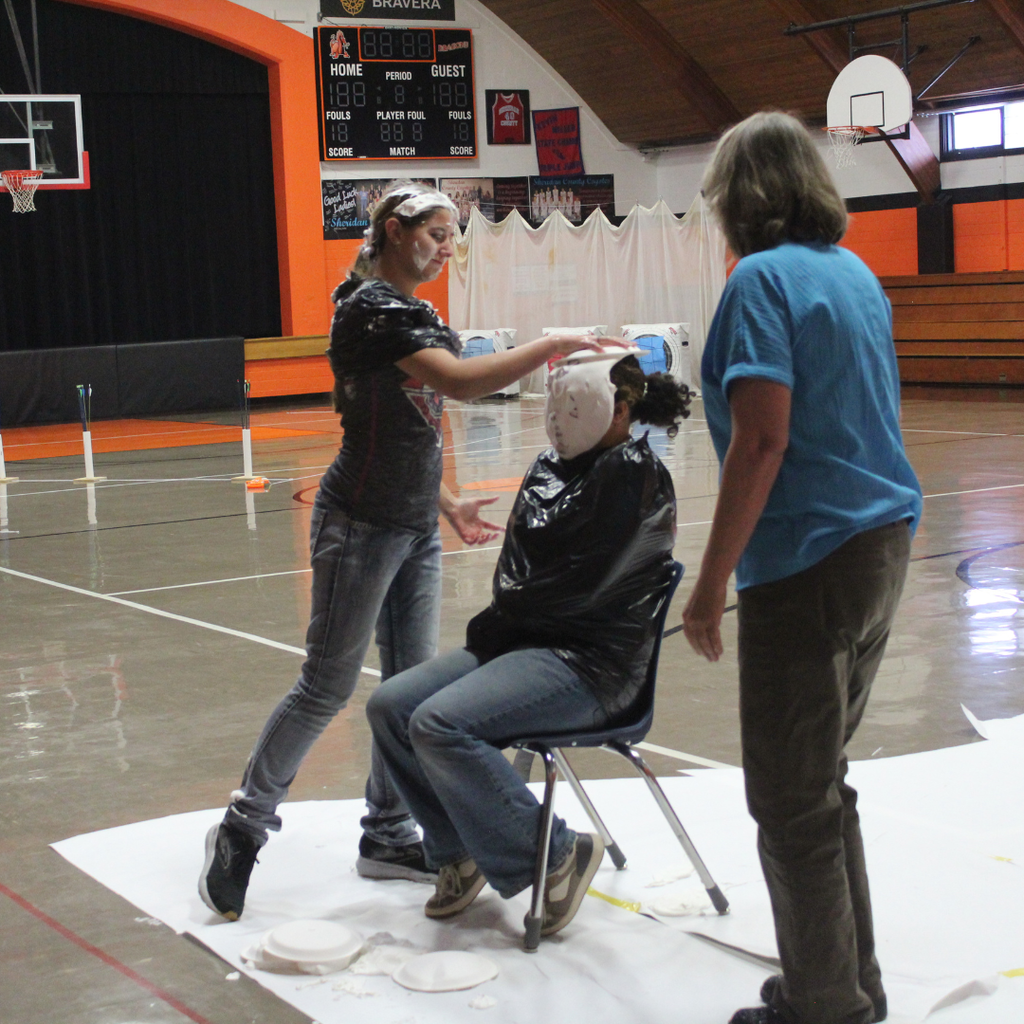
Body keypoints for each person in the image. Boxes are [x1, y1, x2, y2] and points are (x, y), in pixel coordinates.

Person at [199, 181, 612, 921]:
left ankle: (387, 833)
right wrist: (549, 344)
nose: (446, 248)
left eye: (453, 238)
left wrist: (445, 501)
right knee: (325, 685)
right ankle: (242, 829)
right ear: (395, 229)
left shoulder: (409, 311)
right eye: (437, 234)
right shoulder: (372, 309)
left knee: (405, 694)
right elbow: (455, 385)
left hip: (415, 524)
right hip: (359, 525)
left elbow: (408, 419)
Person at [682, 112, 923, 1024]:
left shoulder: (760, 282)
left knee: (788, 797)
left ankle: (826, 1005)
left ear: (738, 200)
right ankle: (846, 983)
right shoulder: (854, 273)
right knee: (820, 782)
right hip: (880, 543)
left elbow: (762, 439)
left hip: (808, 560)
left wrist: (710, 584)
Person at [366, 351, 691, 937]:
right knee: (391, 706)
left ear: (619, 410)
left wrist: (518, 611)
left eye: (577, 406)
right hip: (520, 643)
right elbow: (521, 586)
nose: (562, 419)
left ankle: (557, 853)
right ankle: (458, 850)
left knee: (439, 723)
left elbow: (568, 596)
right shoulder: (551, 467)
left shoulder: (636, 478)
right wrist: (514, 615)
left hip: (588, 665)